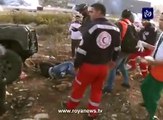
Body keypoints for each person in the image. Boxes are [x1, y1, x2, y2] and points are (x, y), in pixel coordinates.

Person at [62, 3, 121, 120]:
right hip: (103, 67)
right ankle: (92, 114)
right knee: (97, 90)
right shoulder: (115, 28)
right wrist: (113, 60)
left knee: (79, 87)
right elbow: (117, 48)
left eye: (91, 11)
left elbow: (82, 49)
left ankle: (69, 107)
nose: (90, 14)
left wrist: (77, 64)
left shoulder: (93, 27)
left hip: (88, 67)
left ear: (99, 12)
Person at [103, 9, 139, 93]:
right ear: (130, 17)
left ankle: (109, 87)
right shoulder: (131, 25)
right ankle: (126, 81)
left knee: (113, 67)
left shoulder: (120, 23)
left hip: (121, 49)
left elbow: (114, 37)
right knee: (122, 65)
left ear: (122, 15)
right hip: (129, 50)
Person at [140, 13, 163, 120]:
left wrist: (150, 62)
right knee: (144, 86)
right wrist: (146, 45)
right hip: (155, 69)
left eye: (162, 20)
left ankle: (151, 116)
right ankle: (148, 103)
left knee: (154, 95)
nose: (159, 21)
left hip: (161, 73)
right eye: (160, 19)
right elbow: (158, 48)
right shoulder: (162, 34)